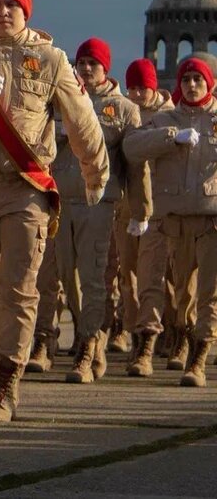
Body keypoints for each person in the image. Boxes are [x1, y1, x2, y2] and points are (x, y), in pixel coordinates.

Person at [0, 0, 107, 421]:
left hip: (26, 187)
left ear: (26, 11)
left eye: (12, 5)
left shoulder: (51, 59)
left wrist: (95, 172)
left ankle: (7, 380)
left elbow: (82, 120)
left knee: (19, 287)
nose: (4, 12)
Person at [49, 38, 148, 384]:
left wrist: (141, 210)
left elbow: (135, 167)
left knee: (93, 277)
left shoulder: (124, 109)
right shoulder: (61, 99)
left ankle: (88, 347)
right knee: (66, 276)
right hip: (62, 199)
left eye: (94, 63)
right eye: (82, 63)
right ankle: (88, 333)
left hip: (99, 203)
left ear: (106, 68)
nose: (87, 68)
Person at [124, 58, 217, 386]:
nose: (192, 85)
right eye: (186, 79)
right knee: (176, 291)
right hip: (173, 221)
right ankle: (161, 343)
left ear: (209, 84)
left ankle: (199, 358)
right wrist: (171, 137)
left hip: (210, 220)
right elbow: (131, 147)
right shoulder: (165, 120)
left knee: (209, 293)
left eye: (198, 80)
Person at [121, 58, 176, 376]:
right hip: (128, 205)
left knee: (161, 276)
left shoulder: (171, 117)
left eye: (143, 87)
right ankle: (135, 336)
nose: (137, 94)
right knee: (128, 277)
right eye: (133, 88)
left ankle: (169, 333)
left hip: (160, 207)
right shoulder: (124, 113)